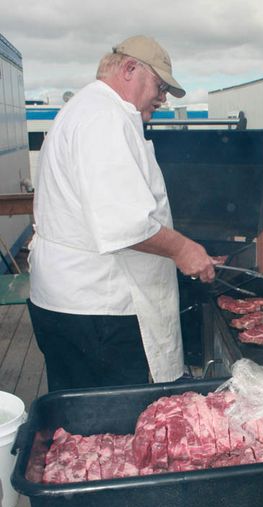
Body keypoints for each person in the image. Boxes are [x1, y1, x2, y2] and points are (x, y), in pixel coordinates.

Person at [27, 35, 216, 392]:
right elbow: (125, 223)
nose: (162, 98)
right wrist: (182, 249)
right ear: (130, 69)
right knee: (108, 427)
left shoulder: (87, 109)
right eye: (160, 87)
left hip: (76, 305)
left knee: (83, 426)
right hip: (96, 309)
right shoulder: (104, 117)